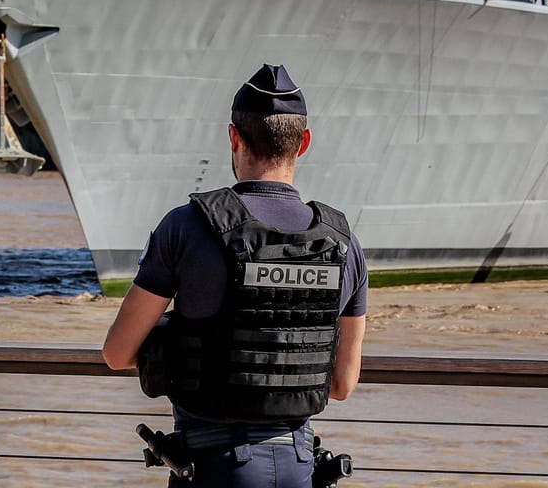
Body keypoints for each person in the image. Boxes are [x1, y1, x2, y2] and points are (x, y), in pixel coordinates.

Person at [102, 64, 366, 487]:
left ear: (234, 138)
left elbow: (117, 353)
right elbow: (342, 384)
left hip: (213, 466)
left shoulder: (186, 227)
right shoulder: (341, 243)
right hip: (300, 465)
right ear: (304, 144)